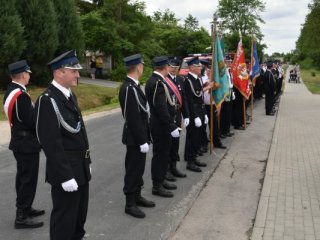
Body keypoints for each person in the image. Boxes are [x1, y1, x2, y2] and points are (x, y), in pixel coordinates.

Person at [35, 50, 92, 240]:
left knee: (79, 216)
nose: (77, 75)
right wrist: (65, 175)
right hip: (66, 171)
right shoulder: (47, 100)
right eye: (73, 71)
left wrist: (88, 161)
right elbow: (51, 143)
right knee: (64, 218)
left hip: (80, 167)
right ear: (59, 72)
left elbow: (80, 130)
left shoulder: (69, 96)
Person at [3, 60, 44, 229]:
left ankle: (25, 208)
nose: (29, 76)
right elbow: (29, 121)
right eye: (28, 73)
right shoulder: (20, 95)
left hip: (21, 141)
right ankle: (21, 216)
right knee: (27, 179)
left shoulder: (13, 91)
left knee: (23, 177)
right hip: (26, 143)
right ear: (23, 74)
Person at [119, 54, 155, 218]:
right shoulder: (128, 88)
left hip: (140, 136)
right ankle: (130, 203)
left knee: (139, 168)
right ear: (138, 67)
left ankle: (137, 196)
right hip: (135, 138)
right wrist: (141, 140)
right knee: (133, 169)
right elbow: (132, 117)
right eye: (142, 66)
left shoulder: (134, 86)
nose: (143, 68)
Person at [145, 56, 180, 198]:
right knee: (160, 155)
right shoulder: (157, 83)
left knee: (164, 154)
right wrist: (171, 126)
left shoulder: (158, 81)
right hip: (160, 126)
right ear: (165, 67)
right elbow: (161, 108)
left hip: (163, 124)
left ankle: (161, 179)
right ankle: (157, 186)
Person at [183, 57, 208, 172]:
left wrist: (205, 114)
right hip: (194, 114)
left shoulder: (197, 79)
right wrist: (195, 116)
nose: (200, 68)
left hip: (200, 112)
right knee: (192, 137)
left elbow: (200, 98)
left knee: (197, 137)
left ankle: (194, 157)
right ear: (192, 67)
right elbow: (189, 101)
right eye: (198, 66)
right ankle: (190, 161)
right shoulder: (187, 81)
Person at [166, 58, 189, 180]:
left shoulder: (180, 79)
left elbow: (183, 99)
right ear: (168, 66)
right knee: (168, 144)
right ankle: (166, 170)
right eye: (172, 67)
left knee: (176, 144)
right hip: (169, 118)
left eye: (177, 67)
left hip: (178, 116)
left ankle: (173, 167)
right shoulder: (164, 80)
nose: (174, 69)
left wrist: (186, 116)